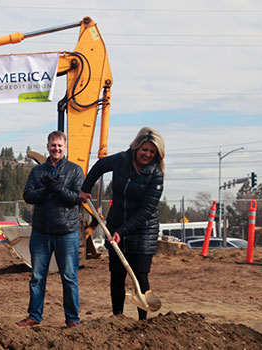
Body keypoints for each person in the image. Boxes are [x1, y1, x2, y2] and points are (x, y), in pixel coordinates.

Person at [78, 126, 165, 320]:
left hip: (143, 230)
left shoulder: (156, 174)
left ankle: (143, 321)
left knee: (140, 277)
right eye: (145, 149)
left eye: (152, 152)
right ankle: (117, 318)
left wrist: (123, 231)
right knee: (117, 275)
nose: (148, 154)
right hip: (116, 225)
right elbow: (99, 167)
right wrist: (85, 188)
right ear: (136, 147)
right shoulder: (121, 160)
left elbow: (146, 210)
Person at [17, 130, 84, 328]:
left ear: (65, 147)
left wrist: (58, 189)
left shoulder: (75, 170)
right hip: (41, 232)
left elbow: (76, 198)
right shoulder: (37, 172)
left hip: (67, 232)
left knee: (69, 277)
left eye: (60, 145)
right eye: (53, 145)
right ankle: (34, 316)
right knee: (37, 277)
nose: (56, 148)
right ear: (47, 147)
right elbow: (28, 195)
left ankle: (72, 319)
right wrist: (46, 190)